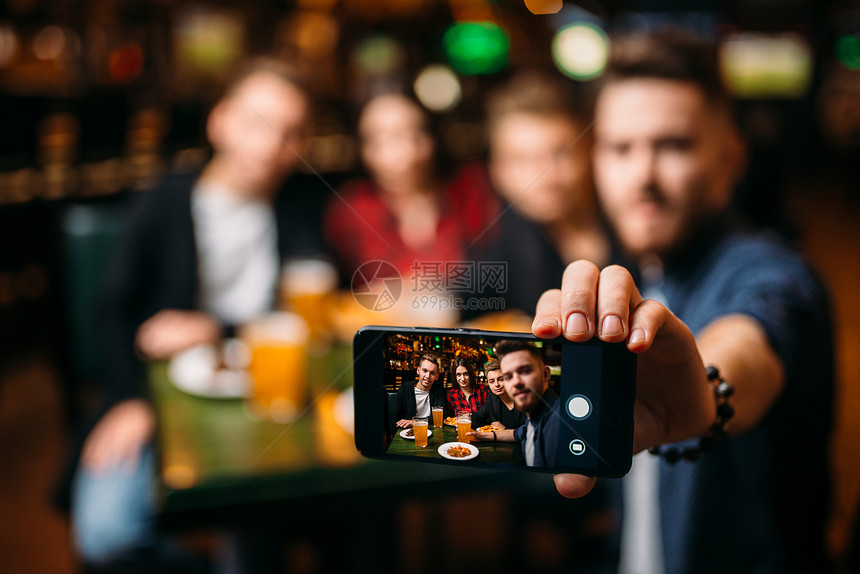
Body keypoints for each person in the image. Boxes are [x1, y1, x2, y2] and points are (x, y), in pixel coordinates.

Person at [529, 32, 834, 574]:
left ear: (730, 157)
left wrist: (705, 387)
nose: (642, 176)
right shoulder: (635, 272)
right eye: (620, 148)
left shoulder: (775, 273)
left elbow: (752, 339)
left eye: (674, 145)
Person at [69, 57, 326, 573]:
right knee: (106, 534)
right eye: (259, 124)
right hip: (157, 394)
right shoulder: (165, 200)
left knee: (258, 518)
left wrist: (218, 328)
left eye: (292, 132)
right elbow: (112, 308)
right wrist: (127, 399)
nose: (272, 146)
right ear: (220, 120)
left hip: (266, 395)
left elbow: (309, 312)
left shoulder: (301, 205)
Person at [465, 73, 615, 317]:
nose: (548, 177)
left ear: (588, 153)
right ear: (496, 172)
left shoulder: (634, 223)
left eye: (561, 153)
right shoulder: (493, 252)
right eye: (523, 160)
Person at [324, 91, 500, 282]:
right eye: (382, 139)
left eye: (415, 134)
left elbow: (496, 272)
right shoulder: (351, 209)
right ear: (362, 149)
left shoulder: (470, 190)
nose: (405, 152)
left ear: (434, 138)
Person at [469, 340, 560, 468]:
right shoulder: (533, 418)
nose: (516, 382)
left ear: (545, 374)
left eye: (525, 371)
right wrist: (481, 435)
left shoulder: (558, 420)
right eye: (508, 376)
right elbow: (518, 433)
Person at [390, 353, 445, 429]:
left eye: (432, 373)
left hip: (431, 431)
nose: (428, 376)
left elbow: (442, 416)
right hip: (408, 432)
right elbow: (394, 416)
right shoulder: (405, 388)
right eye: (425, 371)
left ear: (437, 376)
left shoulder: (439, 390)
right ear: (418, 371)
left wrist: (415, 422)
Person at [470, 358, 526, 430]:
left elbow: (531, 432)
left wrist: (504, 429)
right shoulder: (492, 396)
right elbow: (478, 415)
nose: (496, 384)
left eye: (501, 379)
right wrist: (466, 423)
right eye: (492, 381)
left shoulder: (524, 398)